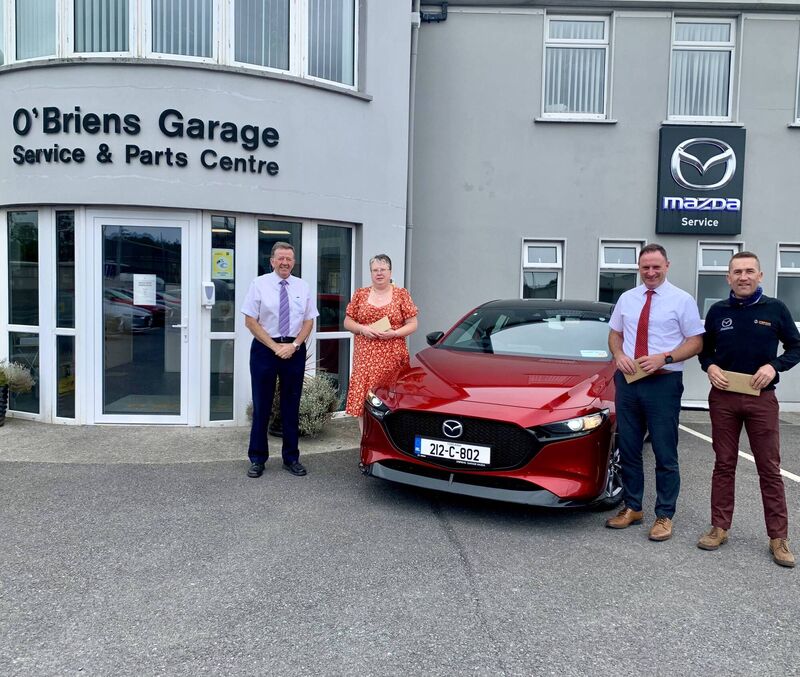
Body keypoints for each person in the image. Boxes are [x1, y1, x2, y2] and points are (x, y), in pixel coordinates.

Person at [697, 251, 800, 567]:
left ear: (760, 275)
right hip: (724, 399)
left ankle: (778, 538)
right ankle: (719, 527)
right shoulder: (717, 312)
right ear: (728, 278)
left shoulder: (776, 309)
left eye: (749, 271)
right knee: (724, 463)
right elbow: (705, 351)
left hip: (761, 399)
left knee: (769, 468)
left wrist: (774, 366)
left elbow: (796, 346)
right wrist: (710, 366)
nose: (743, 276)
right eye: (737, 272)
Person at [605, 243, 704, 540]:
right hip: (629, 381)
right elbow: (615, 333)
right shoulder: (627, 298)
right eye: (645, 267)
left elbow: (696, 341)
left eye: (656, 267)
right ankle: (633, 507)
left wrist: (666, 357)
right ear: (639, 267)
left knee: (664, 451)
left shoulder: (682, 300)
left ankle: (664, 515)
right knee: (630, 448)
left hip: (663, 383)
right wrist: (618, 354)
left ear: (667, 266)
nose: (650, 272)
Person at [241, 242, 319, 478]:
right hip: (266, 349)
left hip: (293, 349)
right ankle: (257, 459)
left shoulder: (302, 286)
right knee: (262, 406)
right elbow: (250, 321)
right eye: (281, 258)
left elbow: (308, 321)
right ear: (272, 261)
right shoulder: (259, 284)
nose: (285, 262)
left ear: (294, 262)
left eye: (289, 259)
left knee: (291, 406)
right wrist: (275, 346)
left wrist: (294, 345)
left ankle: (291, 458)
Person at [343, 255, 418, 429]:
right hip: (365, 359)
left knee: (389, 401)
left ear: (390, 271)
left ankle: (390, 444)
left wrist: (395, 333)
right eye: (375, 270)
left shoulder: (401, 294)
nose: (379, 273)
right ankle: (366, 444)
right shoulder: (360, 294)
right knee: (364, 401)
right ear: (371, 273)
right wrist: (362, 329)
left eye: (382, 270)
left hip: (391, 357)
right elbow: (348, 322)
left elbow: (413, 324)